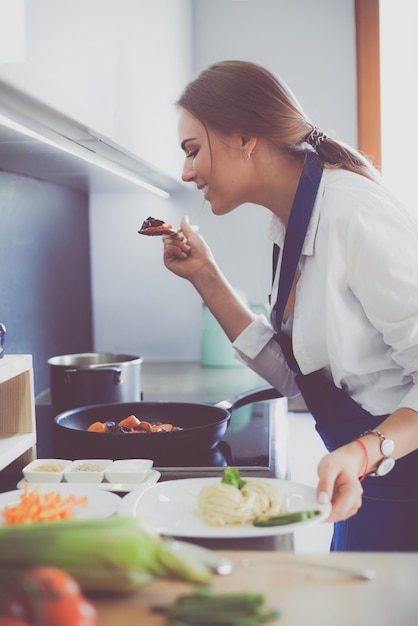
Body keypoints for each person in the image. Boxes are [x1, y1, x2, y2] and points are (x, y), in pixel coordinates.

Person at [162, 60, 418, 551]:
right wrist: (205, 276)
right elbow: (302, 380)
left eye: (193, 150)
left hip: (399, 478)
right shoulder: (289, 225)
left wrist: (366, 452)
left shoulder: (354, 213)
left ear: (245, 138)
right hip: (371, 481)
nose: (187, 171)